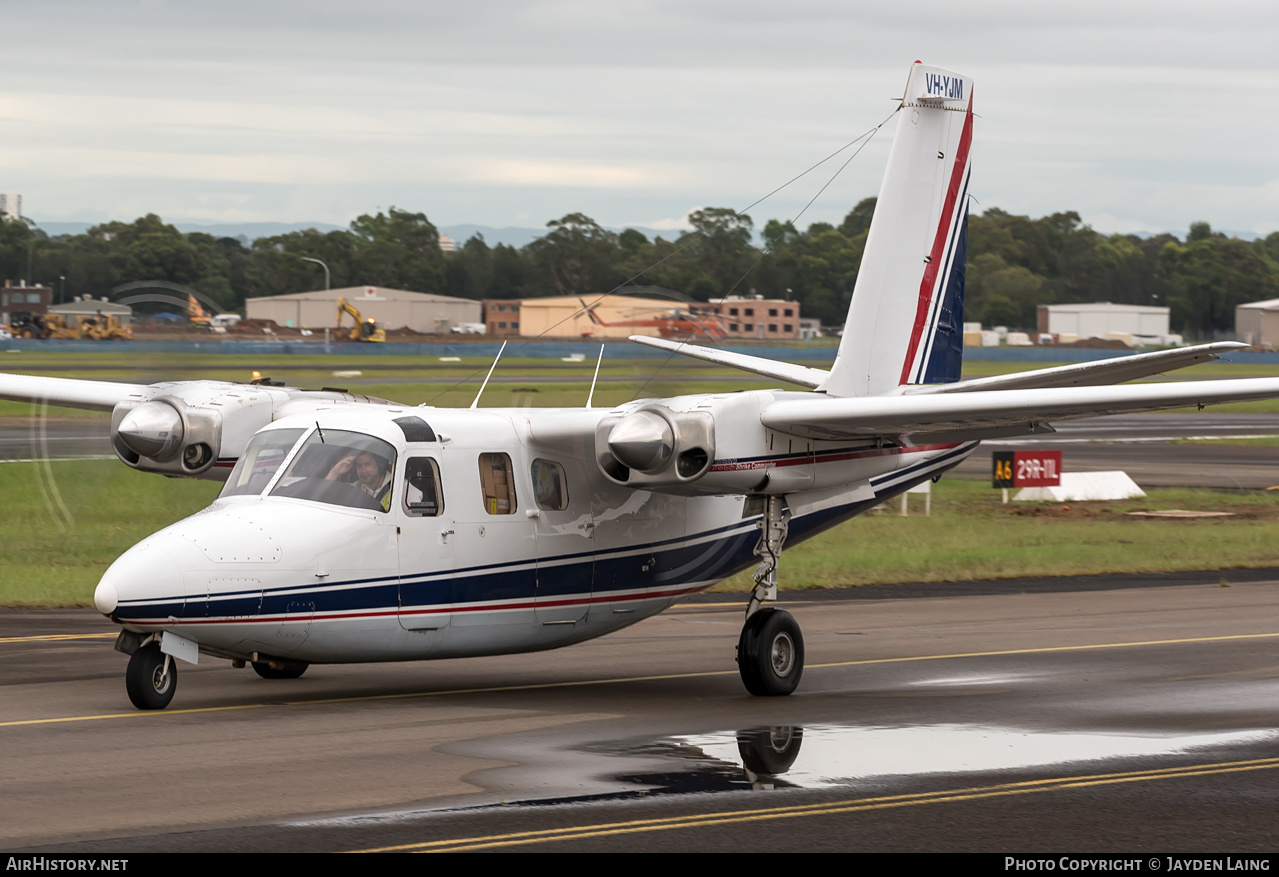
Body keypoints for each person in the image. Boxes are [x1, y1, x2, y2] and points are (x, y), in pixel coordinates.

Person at [326, 450, 392, 511]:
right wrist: (335, 472)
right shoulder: (356, 487)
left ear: (380, 465)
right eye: (359, 466)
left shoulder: (397, 489)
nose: (363, 471)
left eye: (368, 464)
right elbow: (324, 493)